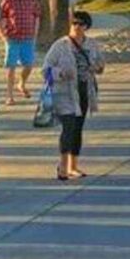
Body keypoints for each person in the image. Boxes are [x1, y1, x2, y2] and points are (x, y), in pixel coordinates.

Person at [44, 11, 104, 181]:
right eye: (74, 23)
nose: (77, 27)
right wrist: (61, 73)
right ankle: (62, 167)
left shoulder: (92, 45)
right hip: (65, 93)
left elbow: (100, 64)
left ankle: (73, 166)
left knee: (78, 128)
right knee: (68, 127)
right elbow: (46, 69)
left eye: (81, 24)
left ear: (87, 27)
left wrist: (97, 68)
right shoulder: (60, 45)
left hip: (84, 90)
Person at [0, 0, 42, 104]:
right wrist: (4, 36)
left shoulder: (32, 0)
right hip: (12, 37)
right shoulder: (9, 0)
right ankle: (9, 95)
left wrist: (35, 32)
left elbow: (37, 17)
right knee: (11, 67)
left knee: (28, 65)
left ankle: (21, 84)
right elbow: (2, 18)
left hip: (28, 38)